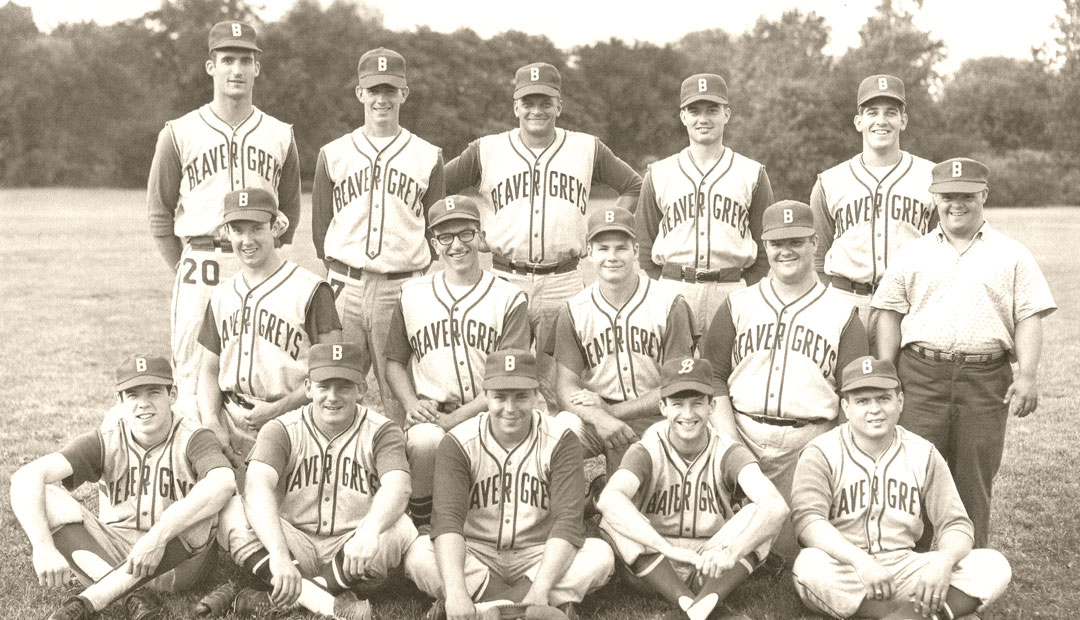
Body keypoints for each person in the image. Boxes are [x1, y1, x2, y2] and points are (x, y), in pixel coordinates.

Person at [872, 157, 1056, 549]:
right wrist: (887, 368)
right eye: (947, 196)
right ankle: (910, 569)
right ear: (934, 199)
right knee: (912, 474)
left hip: (985, 377)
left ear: (984, 195)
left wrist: (1026, 375)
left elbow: (1029, 315)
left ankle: (968, 580)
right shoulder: (913, 252)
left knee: (973, 481)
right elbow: (888, 310)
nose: (957, 204)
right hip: (921, 373)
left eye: (967, 195)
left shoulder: (1012, 254)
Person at [444, 61, 642, 407]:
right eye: (528, 102)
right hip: (506, 278)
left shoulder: (586, 147)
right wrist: (467, 231)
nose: (537, 110)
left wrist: (605, 228)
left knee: (561, 384)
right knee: (501, 379)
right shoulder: (487, 149)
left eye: (545, 102)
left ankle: (558, 453)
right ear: (515, 106)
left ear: (559, 106)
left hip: (562, 279)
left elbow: (633, 184)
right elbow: (437, 187)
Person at [147, 21, 301, 412]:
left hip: (258, 262)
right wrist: (185, 263)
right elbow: (159, 216)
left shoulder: (280, 134)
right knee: (193, 376)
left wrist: (265, 256)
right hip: (202, 263)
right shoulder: (179, 132)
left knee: (260, 369)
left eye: (245, 60)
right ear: (210, 67)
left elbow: (290, 210)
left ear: (257, 69)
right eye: (227, 59)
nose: (237, 69)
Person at [701, 199, 868, 559]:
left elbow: (852, 395)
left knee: (784, 550)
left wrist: (834, 464)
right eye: (778, 243)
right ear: (765, 246)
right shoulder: (738, 304)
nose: (786, 251)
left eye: (796, 241)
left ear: (814, 243)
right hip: (739, 432)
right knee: (705, 533)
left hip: (805, 445)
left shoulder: (842, 313)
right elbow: (713, 377)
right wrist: (731, 443)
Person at [10, 355, 236, 620]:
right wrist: (43, 547)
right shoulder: (107, 438)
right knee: (44, 496)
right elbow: (26, 476)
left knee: (207, 507)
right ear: (120, 401)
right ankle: (130, 594)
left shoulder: (193, 436)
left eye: (153, 392)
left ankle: (96, 597)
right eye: (132, 394)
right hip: (114, 554)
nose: (143, 403)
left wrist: (159, 535)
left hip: (175, 563)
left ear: (171, 395)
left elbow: (224, 481)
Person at [791, 356, 1012, 620]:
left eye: (883, 398)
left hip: (907, 568)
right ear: (846, 407)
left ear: (900, 402)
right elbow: (808, 522)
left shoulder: (924, 453)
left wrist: (943, 561)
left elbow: (957, 524)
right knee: (809, 567)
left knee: (993, 565)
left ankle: (902, 617)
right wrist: (859, 561)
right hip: (848, 568)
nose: (874, 409)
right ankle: (925, 614)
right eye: (862, 401)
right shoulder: (821, 452)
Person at [404, 350, 614, 620]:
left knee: (600, 555)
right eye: (500, 397)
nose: (510, 409)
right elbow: (447, 523)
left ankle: (484, 610)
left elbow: (568, 523)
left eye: (521, 396)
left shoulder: (561, 440)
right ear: (486, 396)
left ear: (536, 394)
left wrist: (540, 587)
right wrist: (456, 590)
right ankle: (536, 611)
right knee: (419, 554)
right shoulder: (458, 441)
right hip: (475, 552)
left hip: (539, 554)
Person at [216, 343, 417, 619]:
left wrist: (369, 531)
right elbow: (256, 487)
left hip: (355, 549)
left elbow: (398, 486)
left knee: (401, 526)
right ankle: (325, 600)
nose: (332, 397)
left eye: (343, 386)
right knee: (232, 510)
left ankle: (299, 596)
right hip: (293, 545)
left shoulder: (382, 431)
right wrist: (278, 552)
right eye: (324, 386)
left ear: (361, 389)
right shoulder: (281, 428)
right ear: (308, 387)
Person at [311, 47, 446, 426]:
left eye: (390, 90)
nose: (382, 99)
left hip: (400, 287)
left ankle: (401, 477)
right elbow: (321, 229)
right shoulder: (334, 153)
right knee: (334, 384)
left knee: (399, 394)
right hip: (345, 287)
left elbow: (434, 231)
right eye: (374, 90)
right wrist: (346, 273)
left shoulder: (426, 155)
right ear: (360, 94)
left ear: (404, 93)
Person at [597, 357, 788, 620]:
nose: (688, 414)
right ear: (663, 407)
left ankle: (697, 603)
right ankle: (694, 603)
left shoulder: (727, 450)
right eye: (678, 404)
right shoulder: (648, 448)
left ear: (712, 406)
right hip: (654, 561)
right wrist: (666, 548)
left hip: (710, 563)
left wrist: (732, 552)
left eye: (697, 403)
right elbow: (608, 500)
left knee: (762, 514)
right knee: (614, 516)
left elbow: (776, 505)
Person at [384, 195, 530, 529]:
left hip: (494, 412)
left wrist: (458, 420)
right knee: (424, 441)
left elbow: (507, 379)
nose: (457, 245)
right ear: (434, 244)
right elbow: (393, 361)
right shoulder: (412, 293)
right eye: (445, 237)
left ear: (480, 237)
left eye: (465, 234)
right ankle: (421, 521)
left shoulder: (508, 296)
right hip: (434, 413)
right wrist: (410, 404)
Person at [197, 188, 342, 468]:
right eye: (238, 230)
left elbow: (331, 374)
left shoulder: (310, 290)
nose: (247, 240)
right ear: (226, 232)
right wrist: (211, 422)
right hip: (229, 417)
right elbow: (208, 370)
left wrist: (278, 409)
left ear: (275, 228)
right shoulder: (221, 295)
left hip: (293, 419)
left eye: (256, 229)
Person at [552, 206, 696, 485]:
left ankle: (600, 493)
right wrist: (598, 418)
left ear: (636, 250)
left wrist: (612, 413)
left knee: (653, 495)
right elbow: (564, 388)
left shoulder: (669, 303)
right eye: (603, 248)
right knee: (559, 432)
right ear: (589, 252)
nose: (612, 257)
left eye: (621, 248)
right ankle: (570, 506)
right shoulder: (574, 310)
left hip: (658, 415)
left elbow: (677, 384)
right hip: (595, 421)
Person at [635, 73, 774, 334]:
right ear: (683, 116)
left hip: (731, 289)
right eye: (694, 110)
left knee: (731, 373)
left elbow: (766, 243)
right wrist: (661, 284)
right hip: (674, 287)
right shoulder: (659, 172)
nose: (703, 118)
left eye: (712, 110)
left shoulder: (752, 173)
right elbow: (644, 241)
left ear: (727, 114)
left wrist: (748, 287)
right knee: (674, 372)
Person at [810, 75, 936, 343]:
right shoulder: (829, 181)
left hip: (907, 304)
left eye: (891, 112)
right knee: (844, 383)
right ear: (859, 122)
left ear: (903, 120)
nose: (881, 121)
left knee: (902, 383)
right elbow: (819, 260)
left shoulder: (931, 178)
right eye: (872, 113)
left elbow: (942, 253)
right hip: (845, 301)